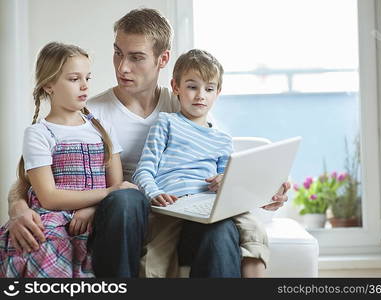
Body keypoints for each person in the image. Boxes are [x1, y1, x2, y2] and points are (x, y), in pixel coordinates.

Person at [7, 8, 290, 278]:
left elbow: (224, 158)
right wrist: (18, 207)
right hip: (121, 220)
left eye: (136, 57)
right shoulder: (89, 114)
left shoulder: (183, 104)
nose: (122, 66)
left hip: (180, 213)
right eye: (118, 53)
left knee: (221, 228)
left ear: (162, 59)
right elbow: (30, 176)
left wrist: (265, 188)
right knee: (127, 199)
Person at [0, 42, 136, 277]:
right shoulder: (39, 134)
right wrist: (107, 194)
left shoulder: (103, 129)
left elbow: (116, 191)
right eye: (74, 79)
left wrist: (93, 208)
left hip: (96, 218)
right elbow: (49, 197)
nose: (84, 86)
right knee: (41, 246)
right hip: (54, 219)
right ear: (48, 85)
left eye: (87, 77)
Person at [133, 49, 270, 277]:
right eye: (192, 86)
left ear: (218, 92)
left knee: (254, 229)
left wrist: (224, 181)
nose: (200, 95)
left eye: (208, 89)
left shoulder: (222, 139)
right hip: (172, 204)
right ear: (176, 87)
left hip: (210, 205)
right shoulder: (166, 123)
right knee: (154, 259)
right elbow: (144, 170)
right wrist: (153, 192)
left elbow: (229, 179)